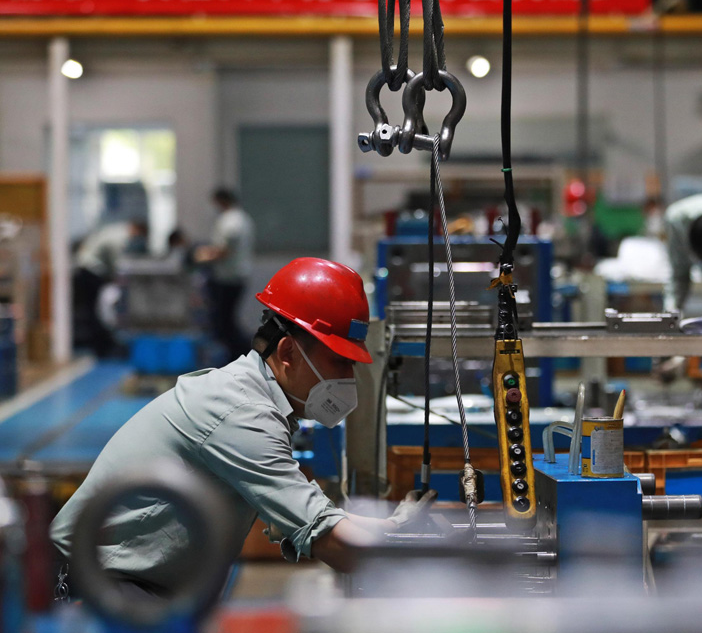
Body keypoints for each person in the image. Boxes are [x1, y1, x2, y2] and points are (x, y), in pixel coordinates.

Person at [50, 258, 437, 598]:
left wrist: (392, 526)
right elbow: (333, 542)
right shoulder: (243, 413)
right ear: (287, 352)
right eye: (339, 361)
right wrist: (436, 559)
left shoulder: (252, 398)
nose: (348, 378)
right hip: (95, 584)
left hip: (135, 583)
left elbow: (319, 517)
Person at [73, 219, 149, 357]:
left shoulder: (116, 229)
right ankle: (101, 347)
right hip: (90, 271)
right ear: (137, 230)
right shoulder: (120, 239)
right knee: (96, 312)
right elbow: (117, 266)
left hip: (87, 269)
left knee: (94, 311)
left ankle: (101, 345)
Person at [195, 188, 255, 360]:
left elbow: (223, 251)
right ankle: (238, 354)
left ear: (221, 201)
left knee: (224, 322)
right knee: (226, 321)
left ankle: (242, 354)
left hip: (228, 278)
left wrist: (201, 256)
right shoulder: (243, 218)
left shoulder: (231, 221)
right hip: (234, 276)